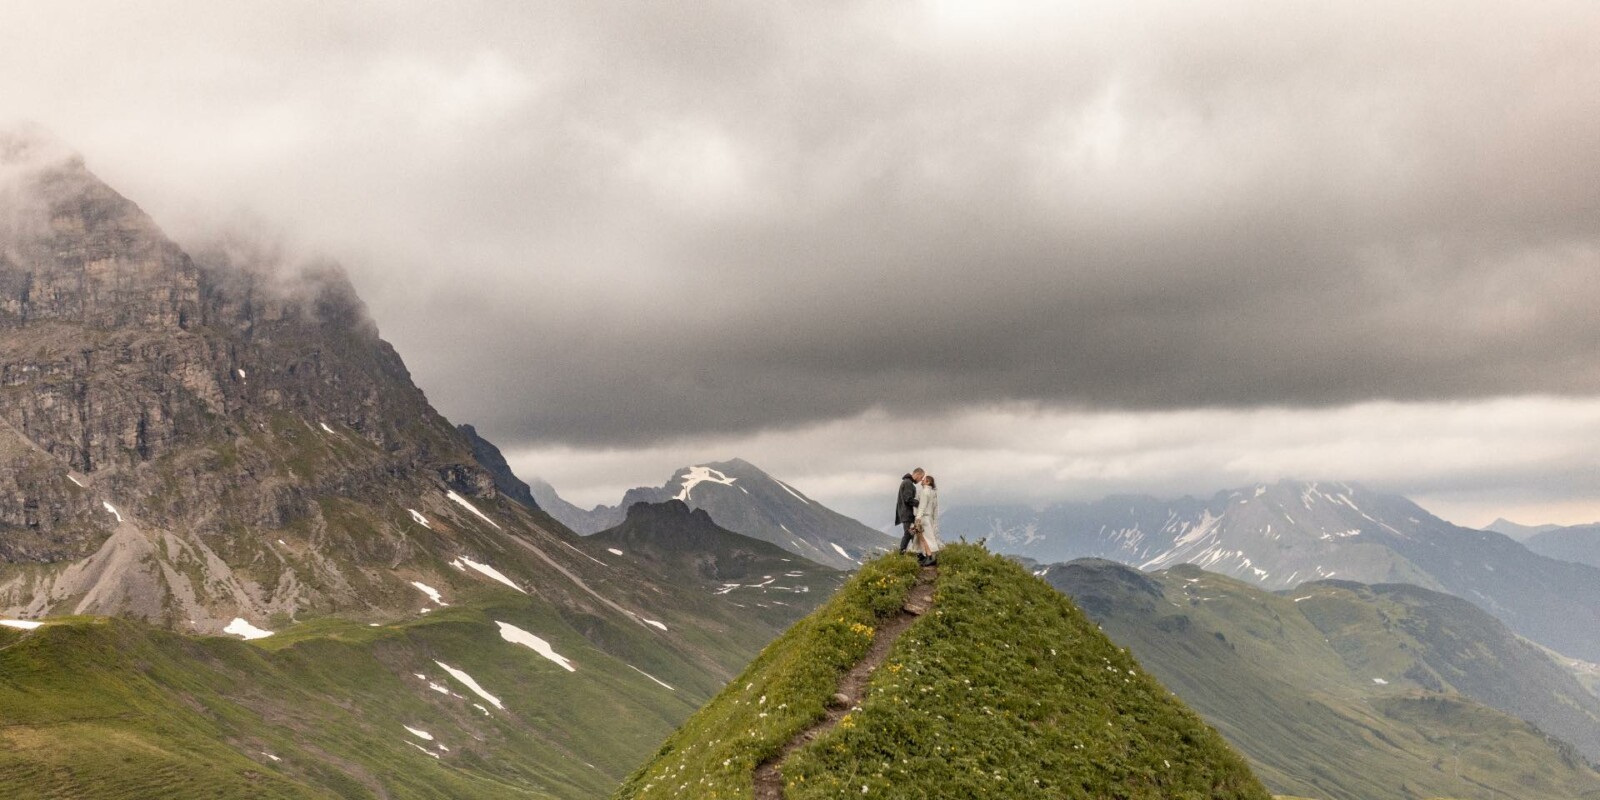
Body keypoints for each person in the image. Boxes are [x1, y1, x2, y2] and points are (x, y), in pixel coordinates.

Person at [914, 474, 942, 566]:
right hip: (929, 517)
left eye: (924, 479)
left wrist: (918, 518)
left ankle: (929, 557)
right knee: (923, 537)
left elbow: (922, 506)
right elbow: (935, 507)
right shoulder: (933, 493)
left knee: (924, 538)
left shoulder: (924, 491)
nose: (922, 480)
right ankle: (926, 556)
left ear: (928, 482)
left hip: (924, 517)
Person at [895, 468, 925, 554]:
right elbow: (908, 499)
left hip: (906, 513)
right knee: (909, 533)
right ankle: (902, 553)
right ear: (917, 474)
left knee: (912, 534)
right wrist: (920, 503)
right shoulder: (908, 483)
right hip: (907, 514)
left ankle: (917, 553)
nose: (920, 480)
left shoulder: (907, 482)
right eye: (921, 477)